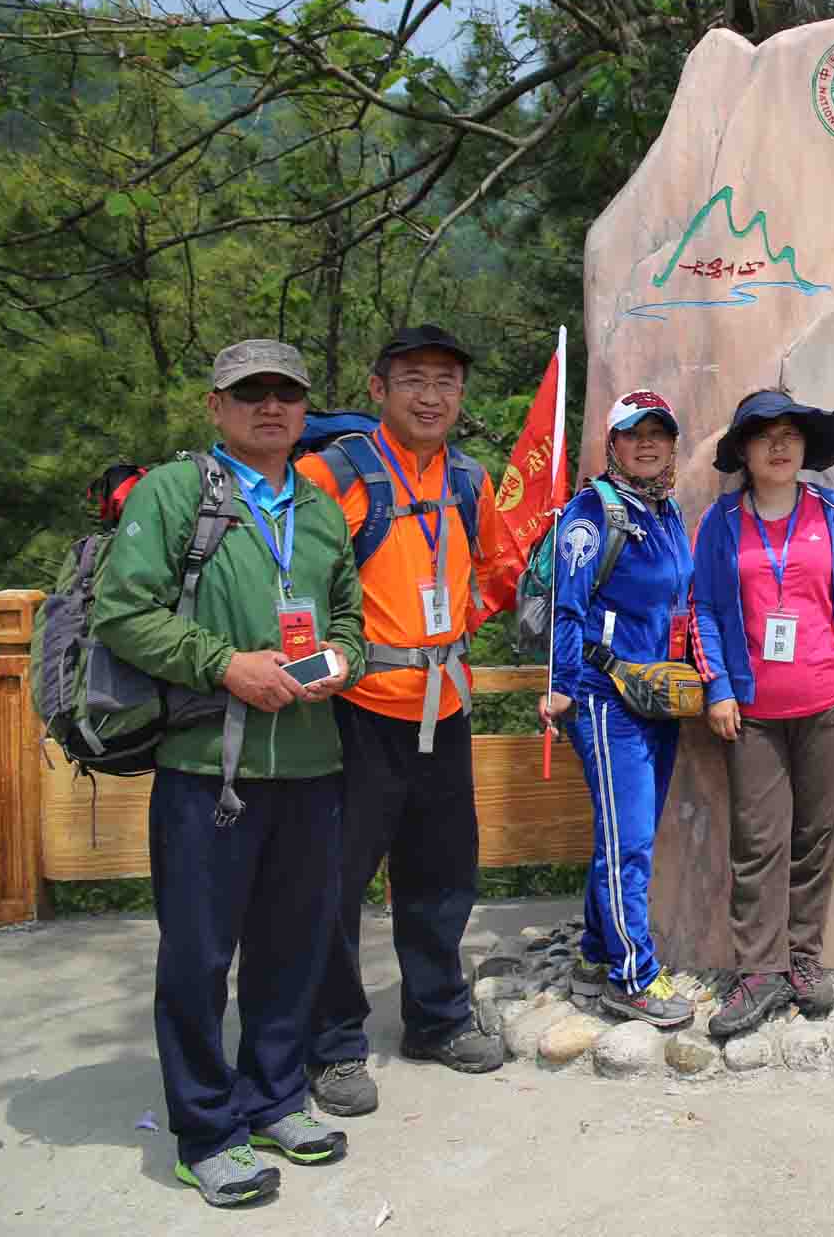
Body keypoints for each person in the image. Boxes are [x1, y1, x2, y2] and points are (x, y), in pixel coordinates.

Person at [91, 339, 364, 1208]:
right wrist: (223, 663)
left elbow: (352, 614)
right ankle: (206, 1130)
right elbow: (122, 612)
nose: (271, 407)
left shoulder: (319, 509)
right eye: (250, 393)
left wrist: (342, 660)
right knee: (201, 956)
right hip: (208, 767)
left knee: (293, 945)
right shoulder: (178, 493)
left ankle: (275, 1096)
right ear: (216, 407)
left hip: (313, 759)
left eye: (286, 392)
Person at [302, 325, 507, 1118]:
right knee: (336, 881)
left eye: (446, 382)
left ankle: (438, 1017)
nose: (431, 396)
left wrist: (452, 636)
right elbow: (296, 582)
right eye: (414, 379)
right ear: (378, 385)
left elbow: (493, 570)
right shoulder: (334, 473)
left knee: (442, 871)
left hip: (444, 709)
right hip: (355, 715)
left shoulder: (467, 479)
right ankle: (334, 1044)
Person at [691, 389, 834, 1038]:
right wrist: (718, 685)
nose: (778, 446)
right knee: (757, 844)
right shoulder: (721, 524)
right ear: (744, 451)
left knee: (815, 838)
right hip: (751, 713)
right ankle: (759, 970)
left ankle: (803, 960)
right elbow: (707, 612)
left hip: (829, 702)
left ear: (805, 447)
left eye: (789, 434)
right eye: (763, 435)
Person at [539, 390, 699, 1028]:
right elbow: (566, 607)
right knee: (628, 839)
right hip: (607, 698)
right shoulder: (590, 513)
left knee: (625, 836)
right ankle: (633, 977)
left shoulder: (666, 510)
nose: (648, 443)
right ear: (614, 444)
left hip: (658, 694)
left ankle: (594, 954)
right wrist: (561, 685)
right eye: (635, 434)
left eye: (659, 432)